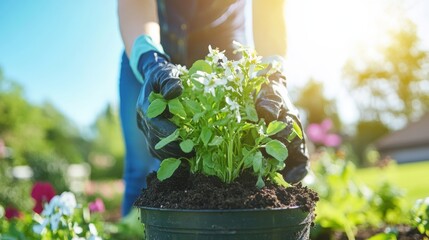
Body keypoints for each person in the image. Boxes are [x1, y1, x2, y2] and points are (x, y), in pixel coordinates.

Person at [117, 0, 309, 216]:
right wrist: (149, 62)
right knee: (140, 170)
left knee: (236, 168)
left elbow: (270, 7)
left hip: (223, 43)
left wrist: (273, 76)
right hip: (147, 39)